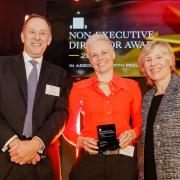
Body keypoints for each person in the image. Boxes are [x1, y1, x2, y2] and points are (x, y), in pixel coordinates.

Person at [63, 34, 142, 180]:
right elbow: (68, 129)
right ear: (90, 59)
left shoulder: (132, 87)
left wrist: (133, 133)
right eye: (94, 55)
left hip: (123, 160)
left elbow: (140, 125)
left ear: (112, 54)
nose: (100, 58)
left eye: (104, 52)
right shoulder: (78, 89)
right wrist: (79, 141)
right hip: (90, 160)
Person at [0, 14, 69, 180]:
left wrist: (35, 144)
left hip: (41, 164)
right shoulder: (1, 66)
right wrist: (14, 143)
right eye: (32, 32)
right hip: (4, 161)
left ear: (50, 39)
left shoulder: (59, 75)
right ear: (23, 36)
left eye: (43, 33)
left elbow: (61, 114)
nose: (37, 37)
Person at [138, 40, 180, 180]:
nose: (153, 64)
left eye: (159, 57)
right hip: (149, 172)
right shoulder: (147, 98)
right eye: (148, 60)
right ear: (144, 67)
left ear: (170, 61)